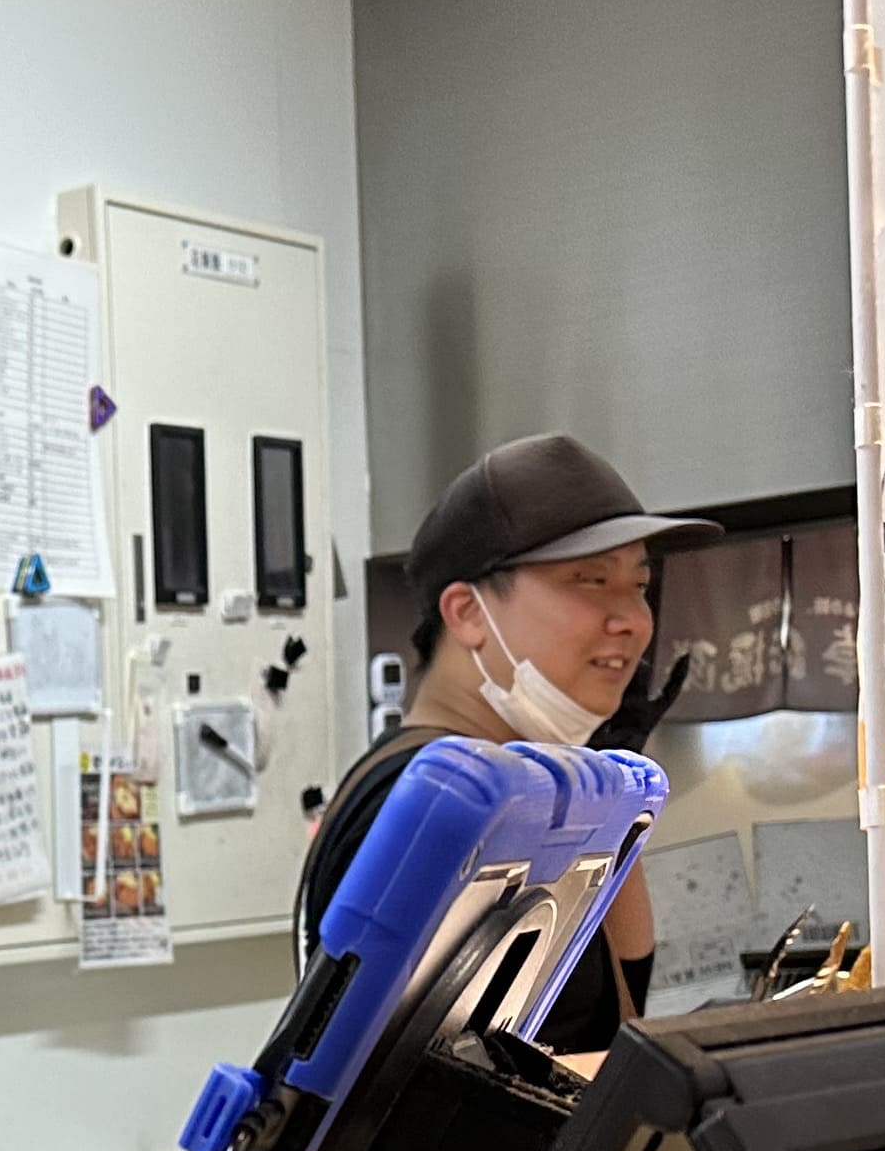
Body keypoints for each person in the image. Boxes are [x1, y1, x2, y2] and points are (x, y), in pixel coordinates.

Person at [299, 434, 716, 1050]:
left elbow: (616, 1000)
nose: (634, 620)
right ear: (467, 613)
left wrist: (616, 802)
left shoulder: (520, 781)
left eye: (639, 585)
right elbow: (432, 1093)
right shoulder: (431, 796)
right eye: (592, 580)